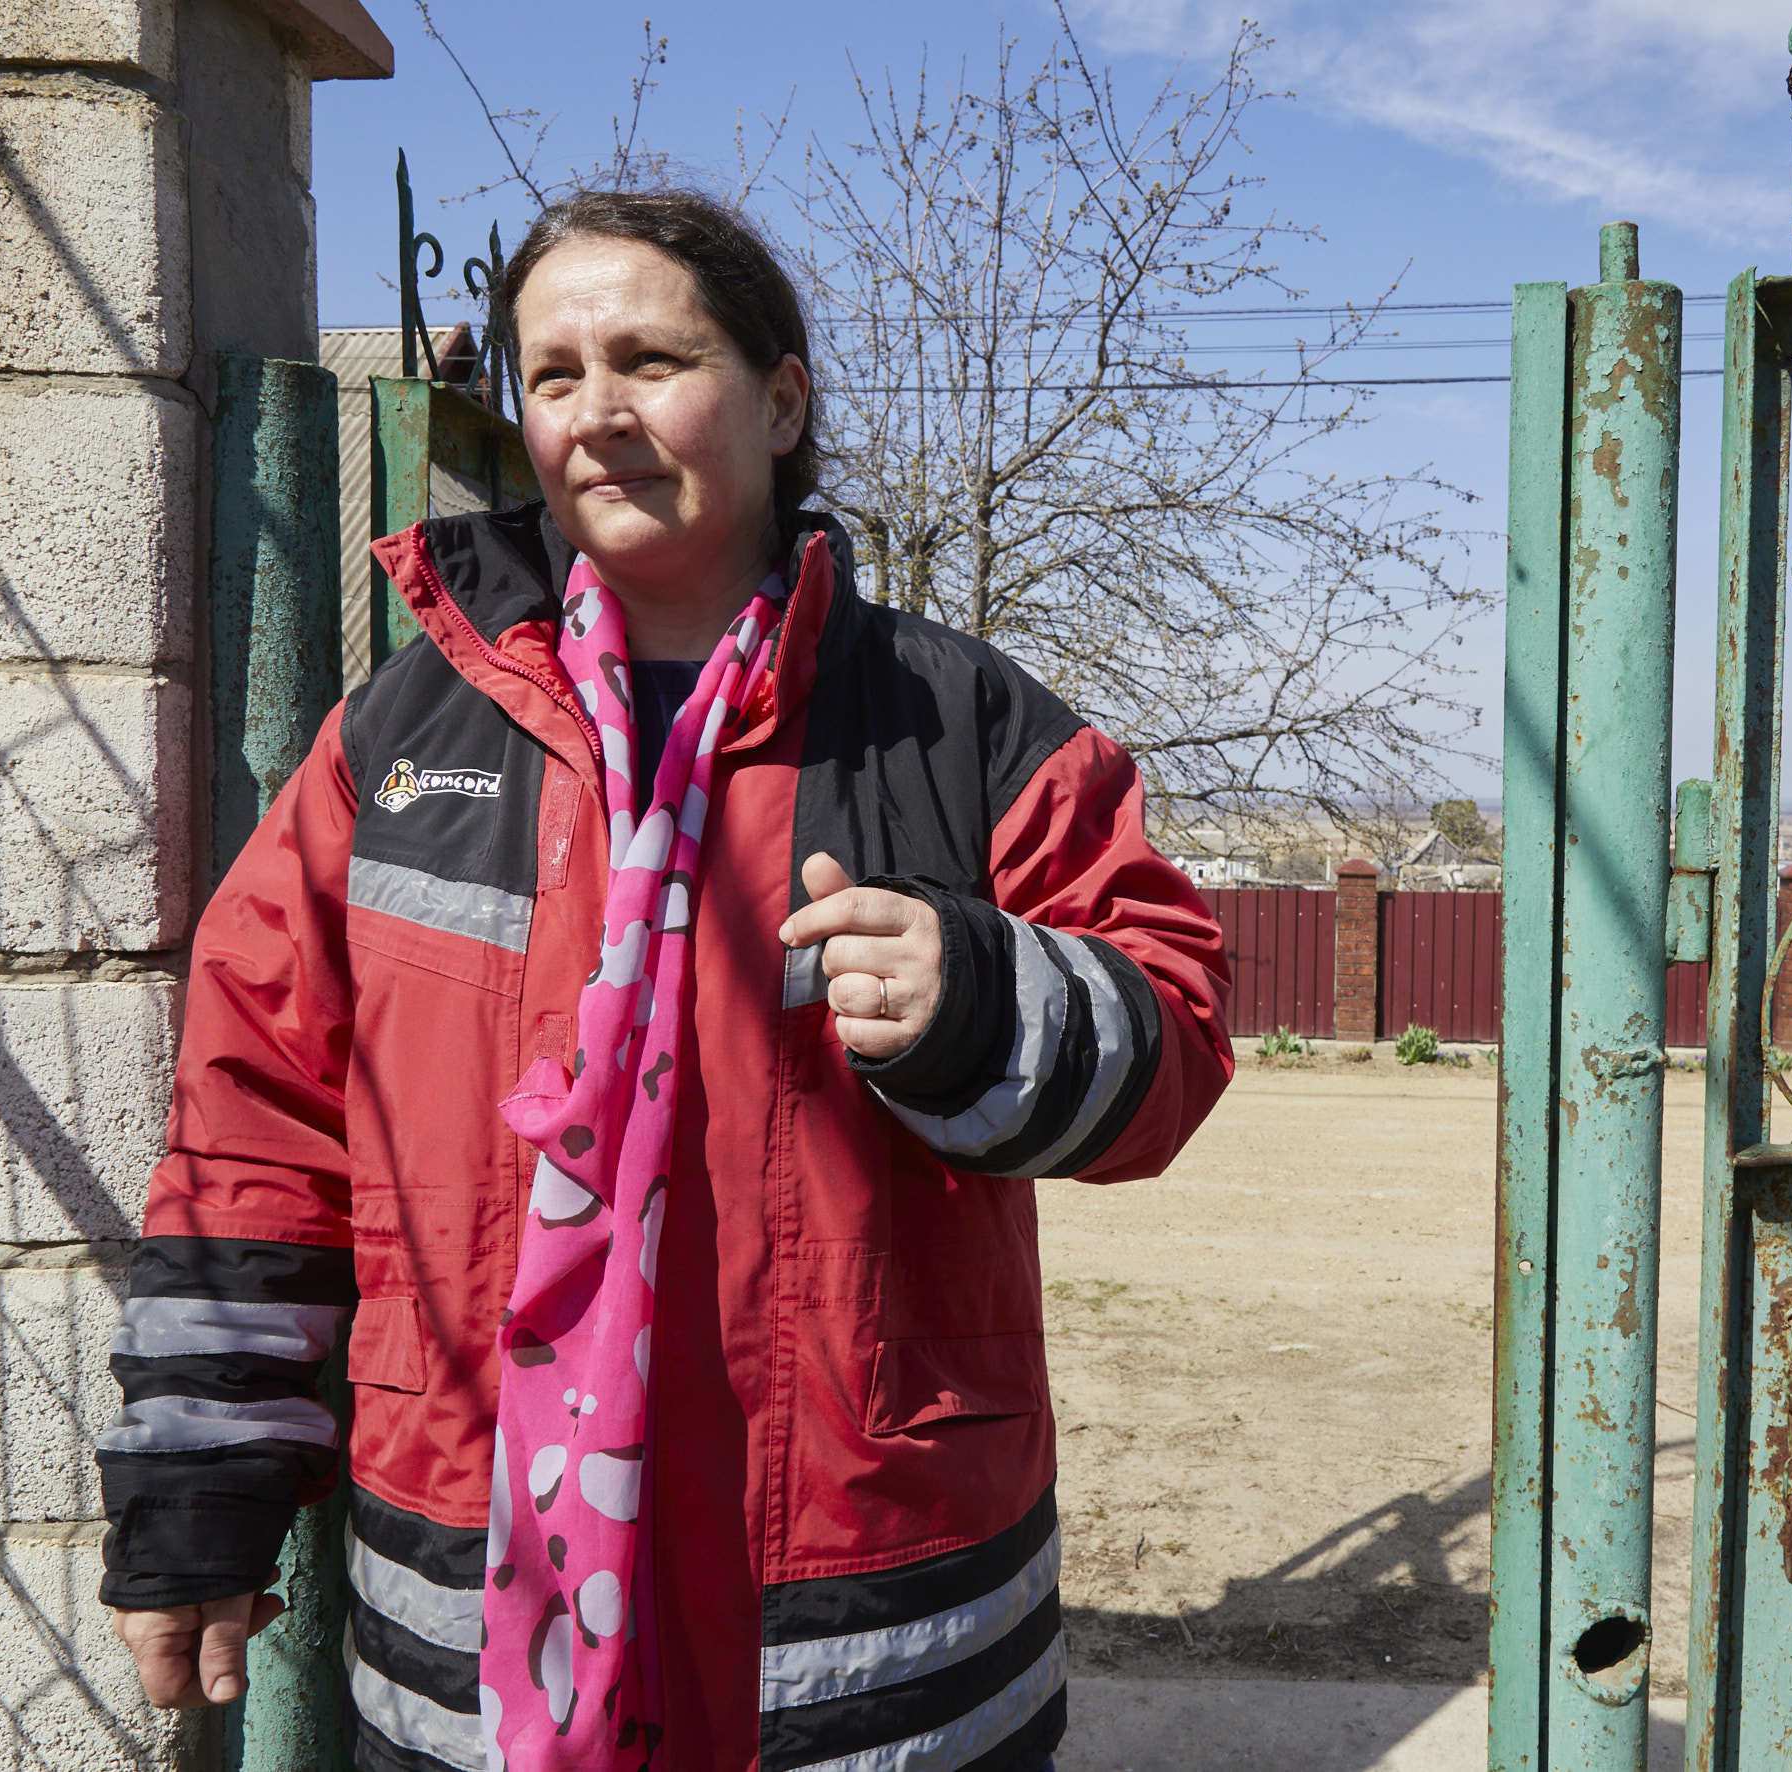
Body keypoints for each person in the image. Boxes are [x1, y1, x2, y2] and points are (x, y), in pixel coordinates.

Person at [94, 188, 1233, 1772]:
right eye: (552, 374)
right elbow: (254, 1126)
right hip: (478, 1582)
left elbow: (1173, 1038)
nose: (597, 412)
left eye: (649, 358)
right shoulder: (399, 744)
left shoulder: (958, 722)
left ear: (779, 399)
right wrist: (198, 1499)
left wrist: (978, 999)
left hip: (859, 1601)